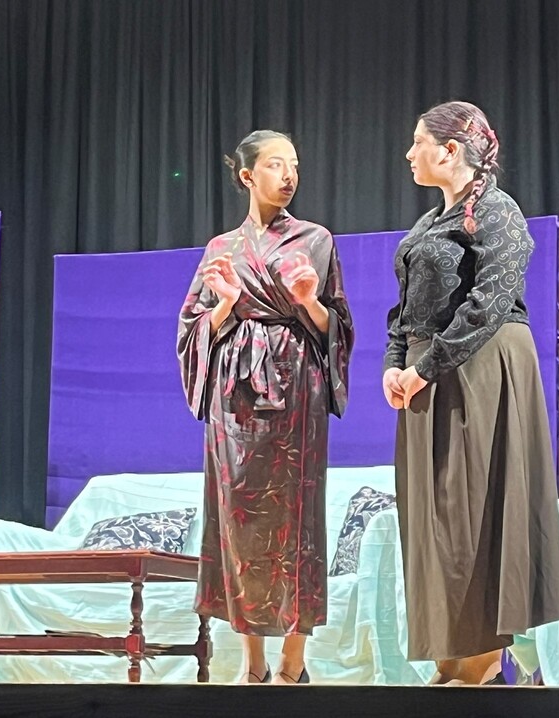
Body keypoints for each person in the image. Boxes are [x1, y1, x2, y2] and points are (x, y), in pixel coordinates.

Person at [382, 101, 559, 685]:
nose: (409, 154)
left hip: (478, 367)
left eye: (418, 142)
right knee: (433, 520)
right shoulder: (428, 223)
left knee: (471, 511)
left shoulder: (497, 210)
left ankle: (481, 666)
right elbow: (404, 310)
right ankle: (449, 659)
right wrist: (394, 363)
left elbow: (491, 301)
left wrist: (425, 367)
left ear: (449, 149)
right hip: (426, 377)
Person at [177, 130, 354, 685]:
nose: (289, 175)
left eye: (294, 165)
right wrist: (226, 305)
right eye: (276, 165)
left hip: (296, 386)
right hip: (234, 396)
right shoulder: (220, 249)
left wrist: (309, 303)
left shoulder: (315, 240)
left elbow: (338, 327)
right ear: (248, 175)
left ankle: (293, 663)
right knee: (238, 518)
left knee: (298, 517)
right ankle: (252, 664)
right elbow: (191, 330)